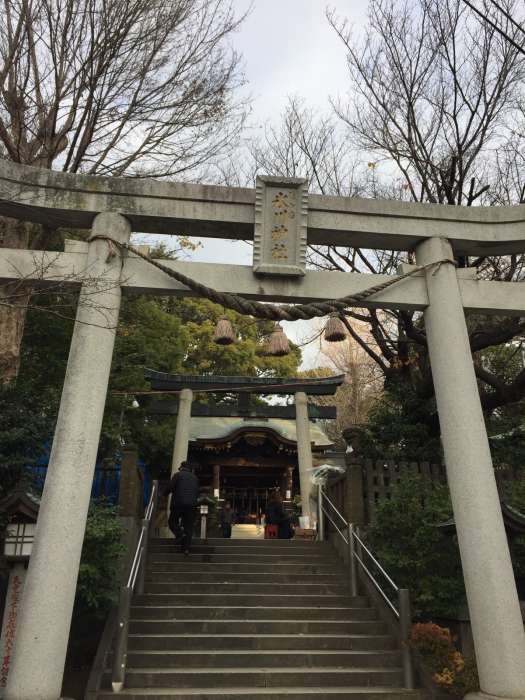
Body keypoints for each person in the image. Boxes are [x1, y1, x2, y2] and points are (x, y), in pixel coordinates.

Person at [163, 461, 199, 555]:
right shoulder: (194, 478)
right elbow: (197, 490)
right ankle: (186, 548)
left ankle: (179, 534)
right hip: (192, 504)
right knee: (188, 526)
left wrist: (164, 494)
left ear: (181, 467)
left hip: (179, 502)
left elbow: (170, 486)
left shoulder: (178, 475)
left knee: (172, 521)